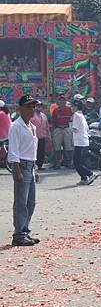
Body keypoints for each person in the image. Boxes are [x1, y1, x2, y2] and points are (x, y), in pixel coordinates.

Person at [7, 95, 41, 246]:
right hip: (21, 165)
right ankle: (19, 234)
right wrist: (16, 170)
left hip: (30, 165)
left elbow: (31, 149)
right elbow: (13, 150)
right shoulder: (16, 126)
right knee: (21, 201)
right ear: (20, 109)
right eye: (28, 106)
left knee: (30, 202)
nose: (31, 109)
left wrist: (35, 166)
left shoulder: (32, 126)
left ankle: (25, 230)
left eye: (33, 106)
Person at [71, 98, 97, 185]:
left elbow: (75, 129)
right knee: (79, 162)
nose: (71, 107)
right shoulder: (81, 115)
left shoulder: (76, 115)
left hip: (79, 142)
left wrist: (70, 126)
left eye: (72, 106)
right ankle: (84, 178)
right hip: (84, 141)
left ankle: (90, 174)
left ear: (76, 107)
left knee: (77, 162)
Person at [50, 94, 74, 169]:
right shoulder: (55, 110)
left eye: (63, 100)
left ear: (65, 101)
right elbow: (53, 122)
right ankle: (58, 163)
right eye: (60, 100)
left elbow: (73, 120)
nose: (62, 101)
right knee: (57, 147)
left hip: (67, 128)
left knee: (69, 147)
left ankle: (70, 162)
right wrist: (52, 132)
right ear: (58, 102)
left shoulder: (70, 109)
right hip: (58, 128)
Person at [31, 102, 50, 170]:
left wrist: (48, 136)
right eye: (37, 106)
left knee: (41, 151)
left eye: (40, 106)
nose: (39, 107)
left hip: (42, 136)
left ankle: (40, 165)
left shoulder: (44, 115)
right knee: (34, 151)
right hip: (33, 136)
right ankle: (33, 165)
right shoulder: (31, 115)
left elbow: (47, 126)